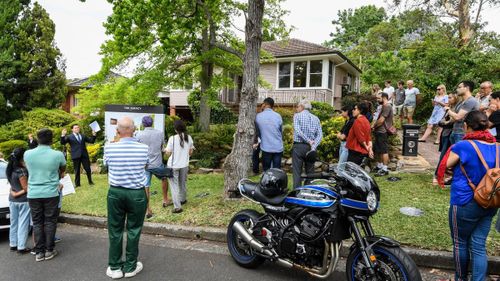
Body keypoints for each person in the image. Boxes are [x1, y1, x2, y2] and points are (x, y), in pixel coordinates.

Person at [445, 110, 498, 281]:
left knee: (460, 242)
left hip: (464, 201)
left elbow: (447, 164)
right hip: (490, 201)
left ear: (467, 126)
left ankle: (460, 278)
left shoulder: (463, 145)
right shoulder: (498, 146)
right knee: (478, 245)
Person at [103, 117, 149, 279]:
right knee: (134, 230)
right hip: (136, 193)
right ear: (134, 129)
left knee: (115, 230)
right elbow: (146, 166)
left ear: (117, 131)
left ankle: (115, 267)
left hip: (116, 193)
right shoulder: (144, 148)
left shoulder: (109, 147)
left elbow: (106, 166)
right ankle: (130, 266)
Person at [24, 128, 66, 262]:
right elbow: (62, 169)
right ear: (51, 139)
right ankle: (49, 250)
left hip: (33, 193)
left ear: (37, 138)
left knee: (37, 222)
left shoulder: (28, 154)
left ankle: (39, 252)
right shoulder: (58, 154)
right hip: (51, 192)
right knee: (50, 221)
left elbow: (28, 168)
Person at [135, 115, 170, 217]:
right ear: (152, 123)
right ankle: (165, 199)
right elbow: (162, 147)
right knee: (164, 178)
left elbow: (137, 149)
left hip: (144, 165)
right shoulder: (160, 133)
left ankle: (147, 210)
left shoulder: (138, 134)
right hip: (157, 163)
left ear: (143, 124)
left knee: (146, 186)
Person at [165, 120, 194, 214]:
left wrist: (165, 151)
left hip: (173, 166)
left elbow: (168, 153)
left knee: (174, 186)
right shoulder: (188, 138)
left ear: (176, 129)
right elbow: (190, 152)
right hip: (184, 164)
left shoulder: (172, 138)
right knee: (183, 183)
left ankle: (177, 207)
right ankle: (183, 199)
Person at [292, 100, 322, 188]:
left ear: (302, 106)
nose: (297, 108)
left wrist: (308, 140)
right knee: (310, 171)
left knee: (297, 171)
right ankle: (309, 191)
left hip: (299, 146)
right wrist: (313, 145)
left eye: (298, 106)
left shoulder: (297, 116)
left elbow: (298, 131)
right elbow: (320, 135)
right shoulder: (316, 118)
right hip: (311, 148)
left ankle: (297, 192)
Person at [433, 92, 462, 185]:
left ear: (456, 98)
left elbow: (451, 121)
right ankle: (440, 175)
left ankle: (438, 175)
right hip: (445, 133)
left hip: (451, 133)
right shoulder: (448, 108)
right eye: (448, 97)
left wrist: (445, 123)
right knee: (444, 154)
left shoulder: (455, 109)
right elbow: (443, 121)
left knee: (447, 155)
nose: (448, 99)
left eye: (450, 98)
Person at [7, 148, 31, 254]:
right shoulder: (22, 171)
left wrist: (13, 192)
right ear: (22, 157)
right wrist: (17, 193)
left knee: (14, 223)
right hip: (23, 200)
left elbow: (11, 185)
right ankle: (21, 247)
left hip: (12, 200)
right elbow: (26, 188)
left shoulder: (10, 169)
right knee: (23, 223)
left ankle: (13, 244)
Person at [445, 80, 480, 145]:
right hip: (455, 132)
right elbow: (454, 117)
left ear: (466, 88)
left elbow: (458, 117)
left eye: (459, 87)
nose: (457, 89)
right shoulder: (461, 102)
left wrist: (447, 110)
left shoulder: (471, 101)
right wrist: (446, 122)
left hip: (463, 133)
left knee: (459, 154)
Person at [255, 97, 283, 171]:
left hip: (266, 147)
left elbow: (257, 131)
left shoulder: (258, 116)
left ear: (264, 104)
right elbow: (280, 131)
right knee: (277, 172)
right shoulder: (278, 116)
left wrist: (261, 110)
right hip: (278, 147)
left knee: (266, 171)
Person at [372, 92, 394, 176]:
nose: (377, 100)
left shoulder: (387, 106)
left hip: (383, 131)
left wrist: (373, 126)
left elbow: (381, 120)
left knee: (384, 150)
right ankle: (379, 166)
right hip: (379, 131)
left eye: (378, 98)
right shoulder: (382, 106)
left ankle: (384, 169)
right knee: (379, 150)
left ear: (384, 98)